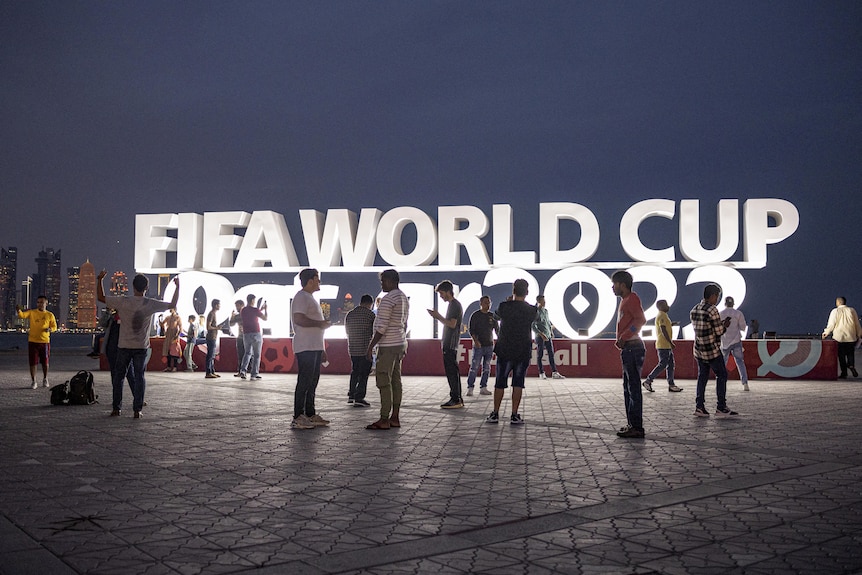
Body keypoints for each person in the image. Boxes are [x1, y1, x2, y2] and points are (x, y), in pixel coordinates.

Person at [97, 270, 179, 418]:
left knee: (118, 377)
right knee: (140, 377)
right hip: (141, 347)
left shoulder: (123, 301)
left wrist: (100, 280)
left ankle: (116, 408)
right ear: (146, 288)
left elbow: (101, 297)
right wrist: (177, 287)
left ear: (132, 287)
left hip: (123, 346)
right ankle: (137, 410)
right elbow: (172, 304)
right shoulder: (150, 304)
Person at [485, 279, 536, 425]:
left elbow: (495, 316)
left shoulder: (504, 307)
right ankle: (514, 414)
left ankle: (495, 413)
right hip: (522, 350)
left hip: (505, 349)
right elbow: (536, 317)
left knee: (500, 383)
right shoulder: (531, 310)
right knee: (518, 383)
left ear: (513, 291)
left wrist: (508, 302)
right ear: (527, 292)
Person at [365, 269, 409, 430]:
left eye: (383, 281)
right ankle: (395, 417)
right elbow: (405, 323)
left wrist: (370, 347)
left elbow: (382, 327)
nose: (382, 284)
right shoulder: (403, 297)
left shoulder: (388, 299)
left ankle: (384, 418)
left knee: (384, 381)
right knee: (396, 381)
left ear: (390, 281)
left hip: (388, 345)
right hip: (400, 343)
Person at [291, 268, 331, 429]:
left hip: (314, 346)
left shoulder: (309, 298)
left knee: (312, 381)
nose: (319, 282)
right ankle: (298, 416)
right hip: (305, 346)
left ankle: (310, 413)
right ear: (310, 280)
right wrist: (320, 324)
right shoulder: (301, 297)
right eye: (317, 279)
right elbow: (298, 319)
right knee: (305, 381)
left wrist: (322, 349)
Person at [690, 284, 738, 418]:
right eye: (717, 296)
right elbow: (718, 331)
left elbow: (704, 327)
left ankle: (699, 407)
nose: (717, 299)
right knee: (722, 375)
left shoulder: (694, 309)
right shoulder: (712, 310)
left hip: (699, 349)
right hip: (711, 350)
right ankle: (721, 407)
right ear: (712, 296)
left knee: (702, 377)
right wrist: (725, 326)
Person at [611, 271, 647, 438]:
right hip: (628, 349)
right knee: (628, 388)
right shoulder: (625, 300)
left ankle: (637, 427)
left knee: (633, 388)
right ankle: (632, 424)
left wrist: (624, 336)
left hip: (633, 348)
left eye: (615, 284)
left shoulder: (632, 299)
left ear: (623, 285)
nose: (613, 287)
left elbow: (640, 320)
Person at [427, 280, 464, 409]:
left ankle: (456, 398)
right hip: (449, 343)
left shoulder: (454, 305)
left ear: (449, 291)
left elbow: (452, 324)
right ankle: (457, 397)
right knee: (453, 371)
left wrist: (438, 317)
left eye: (442, 293)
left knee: (452, 371)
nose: (441, 296)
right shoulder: (453, 305)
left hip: (450, 344)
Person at [16, 295, 58, 389]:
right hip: (33, 341)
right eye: (38, 302)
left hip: (45, 342)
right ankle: (34, 381)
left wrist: (50, 329)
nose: (40, 304)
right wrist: (19, 310)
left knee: (45, 362)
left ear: (46, 303)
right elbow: (22, 315)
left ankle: (45, 378)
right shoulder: (32, 312)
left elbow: (55, 327)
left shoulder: (49, 315)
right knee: (32, 363)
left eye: (42, 302)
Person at [642, 299, 682, 393]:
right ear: (661, 306)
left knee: (670, 365)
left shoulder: (663, 316)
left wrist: (671, 324)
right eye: (666, 305)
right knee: (663, 364)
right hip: (664, 345)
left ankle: (671, 384)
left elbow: (665, 327)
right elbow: (663, 329)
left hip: (666, 345)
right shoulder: (662, 315)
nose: (668, 306)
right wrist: (670, 342)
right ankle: (648, 381)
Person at [345, 294, 376, 407]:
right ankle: (359, 397)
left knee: (355, 371)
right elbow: (374, 332)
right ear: (370, 304)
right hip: (365, 349)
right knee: (364, 374)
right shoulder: (370, 315)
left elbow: (347, 331)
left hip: (353, 349)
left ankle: (351, 394)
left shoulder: (350, 314)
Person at [466, 295, 498, 396]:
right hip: (479, 346)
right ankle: (470, 387)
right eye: (485, 303)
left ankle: (483, 387)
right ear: (480, 303)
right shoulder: (475, 315)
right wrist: (476, 341)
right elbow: (471, 330)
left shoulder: (492, 316)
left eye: (489, 303)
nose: (488, 305)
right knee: (474, 367)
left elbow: (497, 330)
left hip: (489, 346)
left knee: (487, 368)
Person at [822, 297, 862, 379]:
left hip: (839, 337)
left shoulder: (835, 311)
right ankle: (851, 365)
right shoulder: (852, 310)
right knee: (850, 353)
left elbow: (831, 324)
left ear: (838, 302)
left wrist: (826, 333)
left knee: (841, 356)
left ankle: (844, 373)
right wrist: (859, 334)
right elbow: (857, 323)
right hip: (851, 336)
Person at [720, 296, 750, 391]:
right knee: (740, 362)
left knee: (722, 363)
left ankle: (721, 383)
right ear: (733, 303)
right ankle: (745, 383)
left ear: (725, 303)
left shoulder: (720, 314)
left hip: (724, 342)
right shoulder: (738, 314)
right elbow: (743, 327)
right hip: (736, 341)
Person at [532, 294, 565, 380]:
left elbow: (547, 323)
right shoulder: (536, 312)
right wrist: (541, 334)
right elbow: (533, 325)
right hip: (540, 337)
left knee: (551, 354)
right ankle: (541, 373)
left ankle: (554, 372)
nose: (545, 302)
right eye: (543, 301)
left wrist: (550, 331)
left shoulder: (546, 311)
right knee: (540, 355)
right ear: (538, 301)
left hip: (548, 336)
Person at [239, 294, 268, 380]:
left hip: (246, 334)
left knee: (247, 353)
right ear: (252, 300)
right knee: (256, 355)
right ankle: (254, 373)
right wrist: (265, 310)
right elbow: (265, 318)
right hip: (256, 333)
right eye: (254, 300)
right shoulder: (255, 310)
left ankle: (243, 371)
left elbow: (251, 314)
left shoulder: (243, 310)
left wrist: (260, 309)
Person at [229, 299, 250, 377]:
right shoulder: (237, 316)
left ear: (242, 305)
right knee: (240, 355)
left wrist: (245, 328)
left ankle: (248, 370)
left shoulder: (248, 314)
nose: (236, 307)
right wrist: (232, 316)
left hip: (248, 337)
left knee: (248, 354)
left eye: (237, 306)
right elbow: (231, 324)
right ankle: (240, 371)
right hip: (240, 337)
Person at [204, 300, 221, 378]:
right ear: (215, 305)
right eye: (219, 305)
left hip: (213, 337)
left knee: (212, 355)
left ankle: (212, 371)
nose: (220, 306)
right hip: (211, 337)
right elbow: (208, 327)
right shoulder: (211, 314)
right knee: (210, 355)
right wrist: (217, 328)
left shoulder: (214, 314)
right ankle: (208, 372)